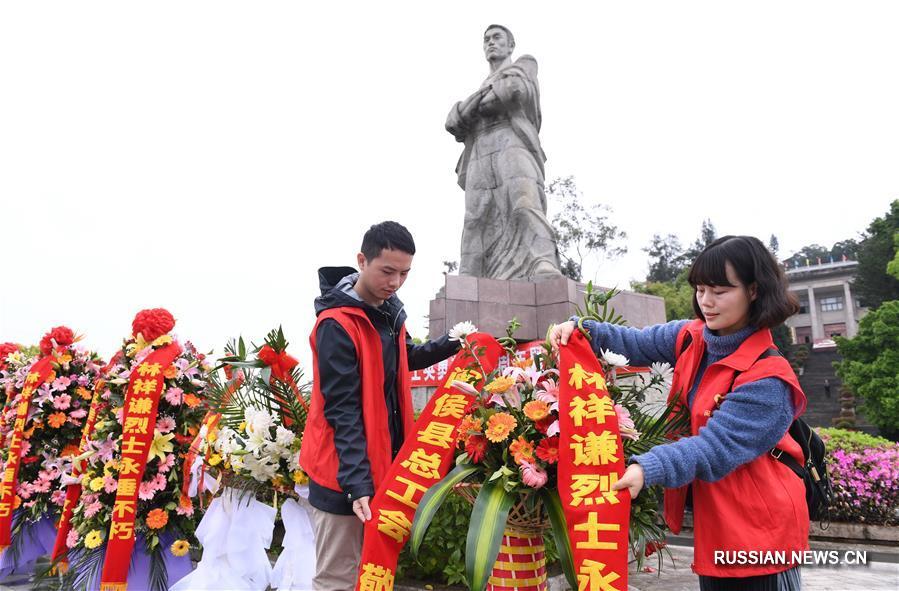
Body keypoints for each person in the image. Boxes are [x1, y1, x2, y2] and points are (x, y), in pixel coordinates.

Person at [550, 235, 808, 590]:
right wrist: (581, 330)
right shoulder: (692, 337)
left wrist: (648, 466)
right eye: (701, 289)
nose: (706, 302)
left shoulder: (768, 379)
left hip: (761, 533)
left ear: (753, 290)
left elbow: (716, 448)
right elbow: (632, 342)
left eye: (720, 291)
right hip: (719, 521)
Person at [300, 221, 461, 591]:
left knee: (372, 571)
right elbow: (342, 410)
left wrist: (454, 342)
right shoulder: (336, 325)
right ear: (362, 260)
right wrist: (357, 484)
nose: (396, 282)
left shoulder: (388, 315)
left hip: (379, 468)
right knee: (338, 576)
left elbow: (404, 358)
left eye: (405, 273)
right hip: (342, 472)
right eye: (387, 271)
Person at [445, 24, 561, 279]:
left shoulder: (524, 65)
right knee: (474, 217)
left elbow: (512, 91)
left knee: (524, 201)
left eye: (497, 37)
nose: (490, 42)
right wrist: (478, 101)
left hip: (511, 140)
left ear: (511, 45)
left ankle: (543, 262)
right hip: (479, 148)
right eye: (486, 39)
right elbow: (452, 123)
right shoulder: (485, 84)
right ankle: (468, 278)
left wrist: (470, 107)